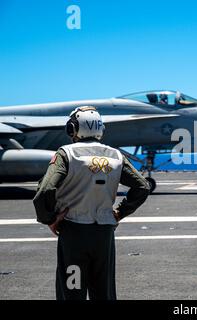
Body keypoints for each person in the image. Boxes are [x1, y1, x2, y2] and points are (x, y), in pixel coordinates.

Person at [33, 106, 150, 300]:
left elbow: (45, 190)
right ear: (100, 128)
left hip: (74, 236)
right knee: (103, 293)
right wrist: (119, 213)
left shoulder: (66, 154)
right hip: (104, 236)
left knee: (73, 291)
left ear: (73, 129)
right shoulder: (115, 155)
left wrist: (50, 219)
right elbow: (142, 187)